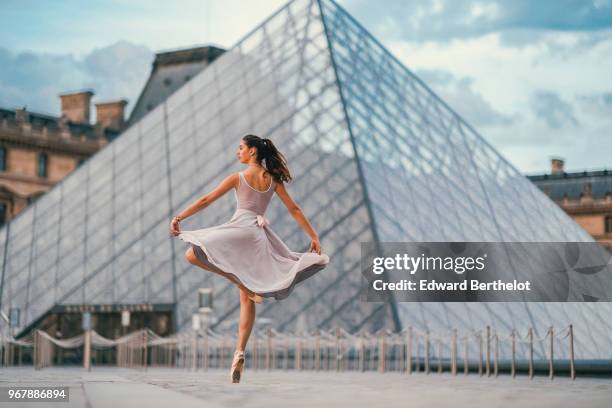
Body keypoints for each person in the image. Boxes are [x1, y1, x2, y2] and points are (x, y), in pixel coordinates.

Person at [169, 134, 330, 383]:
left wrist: (180, 217)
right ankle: (240, 352)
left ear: (253, 151)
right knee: (247, 299)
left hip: (239, 229)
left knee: (192, 253)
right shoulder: (273, 179)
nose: (238, 152)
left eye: (241, 148)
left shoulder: (238, 177)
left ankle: (240, 282)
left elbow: (206, 199)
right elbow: (295, 209)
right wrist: (314, 236)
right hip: (257, 237)